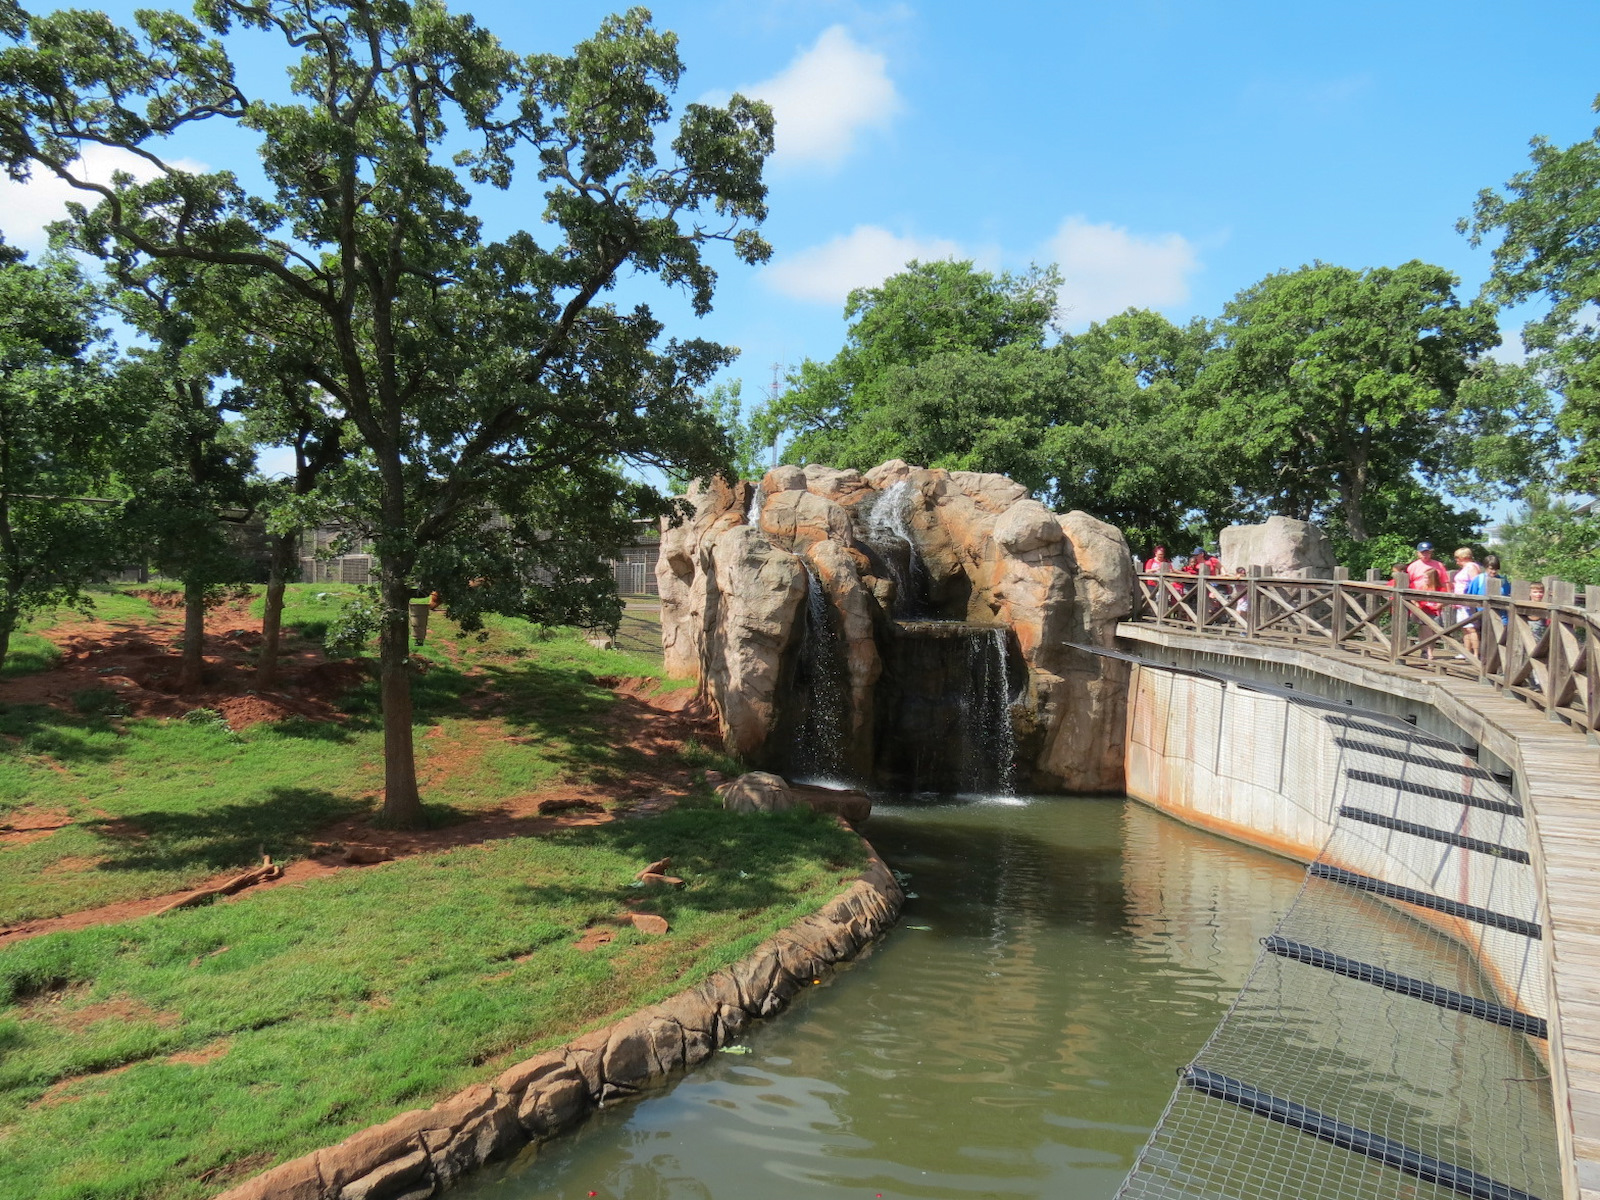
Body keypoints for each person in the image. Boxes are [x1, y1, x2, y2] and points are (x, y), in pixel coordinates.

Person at [1404, 542, 1450, 659]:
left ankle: (1429, 650)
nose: (1425, 554)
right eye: (1423, 552)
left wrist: (1447, 599)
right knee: (1423, 626)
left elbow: (1445, 582)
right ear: (1418, 553)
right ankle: (1425, 650)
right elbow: (1407, 584)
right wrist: (1413, 600)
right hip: (1419, 601)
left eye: (1428, 552)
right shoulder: (1413, 566)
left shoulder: (1438, 565)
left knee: (1434, 628)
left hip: (1435, 600)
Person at [1461, 553, 1508, 658]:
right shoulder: (1479, 579)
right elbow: (1470, 596)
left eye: (1496, 569)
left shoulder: (1503, 581)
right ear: (1486, 567)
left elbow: (1508, 596)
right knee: (1486, 638)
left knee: (1500, 640)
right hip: (1482, 615)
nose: (1494, 572)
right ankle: (1485, 662)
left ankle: (1497, 663)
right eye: (1491, 569)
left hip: (1501, 616)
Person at [1451, 547, 1481, 648]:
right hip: (1461, 603)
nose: (1456, 560)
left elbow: (1475, 583)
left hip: (1467, 603)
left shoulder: (1471, 567)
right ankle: (1466, 652)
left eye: (1458, 557)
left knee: (1471, 628)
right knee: (1464, 628)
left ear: (1464, 557)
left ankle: (1475, 653)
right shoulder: (1465, 568)